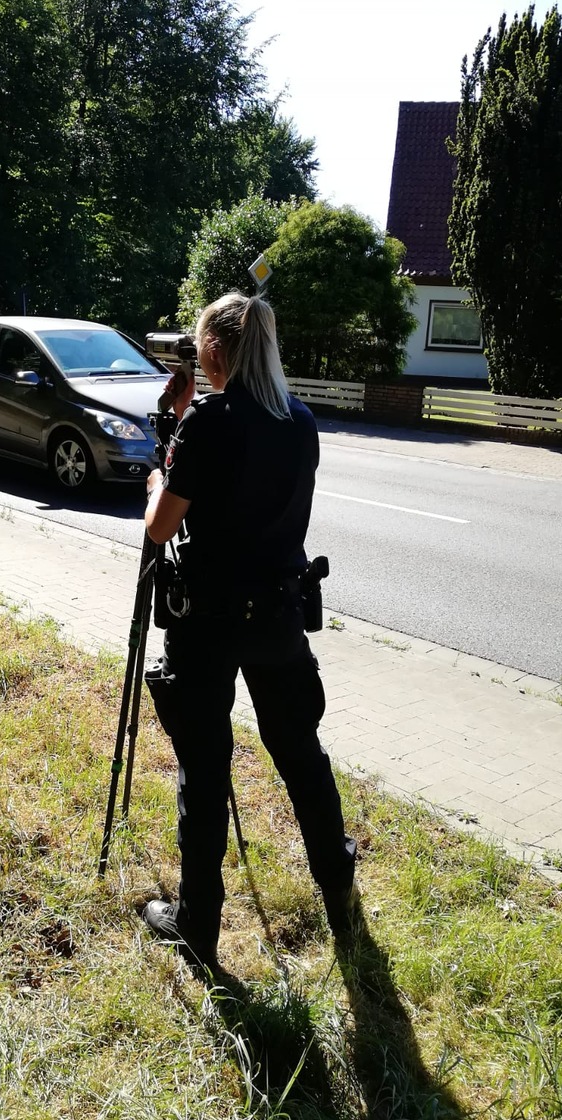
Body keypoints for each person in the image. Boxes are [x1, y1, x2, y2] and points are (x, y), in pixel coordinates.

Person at [141, 290, 357, 968]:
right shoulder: (300, 421)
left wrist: (159, 467)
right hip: (281, 613)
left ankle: (197, 924)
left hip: (207, 621)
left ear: (215, 349)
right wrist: (184, 429)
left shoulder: (207, 419)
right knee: (301, 754)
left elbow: (161, 525)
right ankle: (338, 888)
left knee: (204, 770)